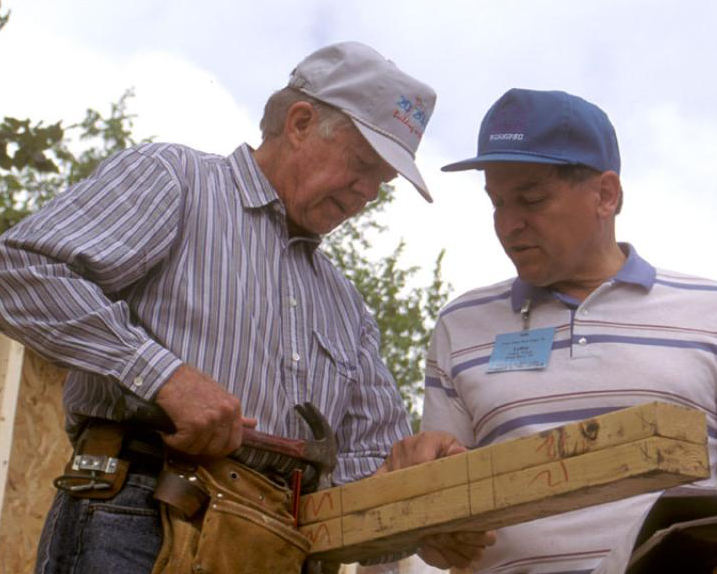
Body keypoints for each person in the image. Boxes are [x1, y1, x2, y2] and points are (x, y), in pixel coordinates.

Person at [0, 42, 493, 574]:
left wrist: (417, 504)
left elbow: (364, 469)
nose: (368, 192)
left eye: (382, 182)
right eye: (362, 164)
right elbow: (21, 270)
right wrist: (165, 376)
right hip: (139, 518)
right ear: (301, 122)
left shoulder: (348, 309)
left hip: (276, 547)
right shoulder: (178, 181)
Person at [419, 88, 717, 573]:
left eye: (530, 198)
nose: (508, 224)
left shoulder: (708, 313)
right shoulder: (460, 326)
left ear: (605, 195)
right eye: (495, 202)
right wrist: (432, 526)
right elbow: (439, 512)